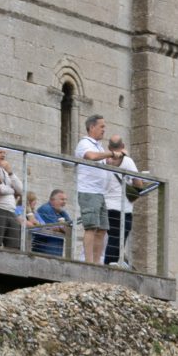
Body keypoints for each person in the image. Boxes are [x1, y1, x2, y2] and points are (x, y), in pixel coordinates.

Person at [75, 113, 112, 265]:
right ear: (92, 127)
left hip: (100, 192)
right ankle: (89, 262)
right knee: (91, 227)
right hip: (89, 191)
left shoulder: (99, 146)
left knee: (102, 229)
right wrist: (110, 153)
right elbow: (90, 156)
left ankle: (97, 262)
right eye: (101, 126)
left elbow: (105, 161)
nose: (104, 130)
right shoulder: (85, 143)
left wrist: (119, 156)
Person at [104, 135, 142, 266]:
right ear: (123, 146)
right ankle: (110, 264)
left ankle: (111, 263)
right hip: (124, 208)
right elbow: (138, 183)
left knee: (112, 238)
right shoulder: (128, 161)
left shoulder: (103, 160)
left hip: (107, 206)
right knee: (118, 239)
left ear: (109, 148)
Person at [29, 187, 73, 259]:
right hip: (43, 253)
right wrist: (62, 228)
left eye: (65, 199)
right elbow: (58, 227)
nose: (64, 202)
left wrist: (62, 228)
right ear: (52, 200)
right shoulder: (46, 209)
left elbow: (71, 229)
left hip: (54, 253)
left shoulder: (61, 212)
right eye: (62, 199)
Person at [0, 150, 23, 251]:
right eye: (0, 152)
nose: (3, 155)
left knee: (13, 245)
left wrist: (10, 173)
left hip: (11, 211)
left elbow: (21, 189)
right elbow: (0, 190)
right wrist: (13, 190)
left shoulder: (6, 171)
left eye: (4, 153)